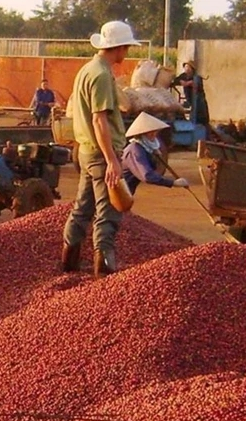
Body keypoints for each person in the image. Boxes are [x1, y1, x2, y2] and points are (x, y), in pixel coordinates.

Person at [61, 21, 140, 278]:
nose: (126, 53)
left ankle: (68, 262)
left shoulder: (87, 69)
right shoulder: (102, 75)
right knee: (108, 212)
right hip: (100, 152)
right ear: (118, 47)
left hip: (85, 150)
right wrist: (112, 161)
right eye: (126, 47)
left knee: (83, 207)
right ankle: (103, 276)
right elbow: (99, 119)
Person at [122, 112, 189, 195]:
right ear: (141, 134)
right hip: (118, 191)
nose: (154, 134)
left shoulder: (145, 148)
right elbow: (147, 176)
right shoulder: (135, 150)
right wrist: (173, 183)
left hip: (126, 192)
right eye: (150, 132)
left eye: (155, 131)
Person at [173, 60, 210, 125]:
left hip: (198, 100)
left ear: (192, 69)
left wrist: (188, 83)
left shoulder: (196, 77)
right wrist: (181, 82)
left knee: (201, 115)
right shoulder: (184, 75)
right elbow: (176, 80)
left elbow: (197, 85)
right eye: (185, 67)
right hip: (189, 98)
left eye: (188, 67)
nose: (186, 69)